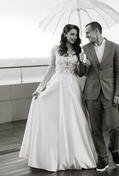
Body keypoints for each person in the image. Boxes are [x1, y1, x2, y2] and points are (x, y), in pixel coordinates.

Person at [19, 24, 97, 172]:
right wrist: (40, 88)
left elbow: (81, 73)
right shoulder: (56, 49)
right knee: (50, 114)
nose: (74, 37)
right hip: (57, 85)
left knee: (74, 120)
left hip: (73, 87)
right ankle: (53, 155)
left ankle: (76, 155)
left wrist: (83, 63)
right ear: (65, 34)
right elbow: (50, 70)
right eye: (72, 34)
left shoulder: (79, 51)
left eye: (76, 34)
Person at [77, 22, 119, 172]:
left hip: (110, 94)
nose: (86, 36)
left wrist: (118, 93)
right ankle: (102, 158)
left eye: (88, 33)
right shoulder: (84, 49)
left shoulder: (114, 47)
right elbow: (81, 73)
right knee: (96, 129)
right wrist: (83, 63)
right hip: (91, 93)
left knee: (114, 126)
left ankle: (114, 149)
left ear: (97, 31)